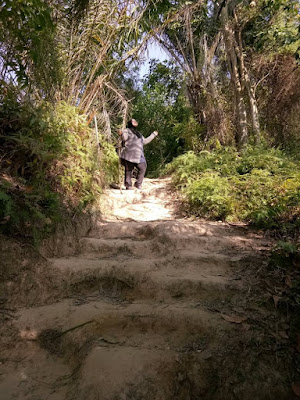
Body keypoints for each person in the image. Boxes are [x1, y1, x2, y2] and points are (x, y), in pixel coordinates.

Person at [118, 119, 158, 190]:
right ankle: (128, 185)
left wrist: (153, 135)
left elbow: (145, 141)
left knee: (143, 167)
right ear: (130, 123)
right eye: (133, 121)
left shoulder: (138, 134)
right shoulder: (126, 130)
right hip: (129, 154)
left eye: (136, 121)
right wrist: (121, 134)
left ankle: (138, 184)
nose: (135, 121)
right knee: (129, 170)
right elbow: (125, 138)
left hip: (138, 155)